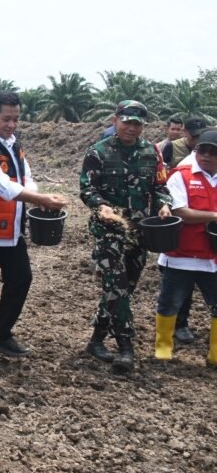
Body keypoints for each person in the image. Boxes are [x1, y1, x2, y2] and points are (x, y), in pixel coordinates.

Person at [0, 90, 68, 365]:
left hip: (12, 229)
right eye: (6, 119)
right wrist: (40, 198)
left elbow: (25, 176)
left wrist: (35, 193)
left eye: (16, 119)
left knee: (21, 279)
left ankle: (0, 335)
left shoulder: (14, 143)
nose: (11, 125)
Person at [79, 100, 172, 371]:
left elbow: (159, 186)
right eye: (127, 122)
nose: (132, 128)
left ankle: (96, 339)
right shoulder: (98, 152)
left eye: (137, 124)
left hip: (140, 231)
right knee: (117, 285)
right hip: (109, 231)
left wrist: (164, 203)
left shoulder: (151, 152)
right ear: (115, 120)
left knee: (122, 289)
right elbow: (87, 190)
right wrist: (101, 206)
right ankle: (125, 347)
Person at [152, 128, 217, 368]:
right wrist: (214, 216)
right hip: (181, 255)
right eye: (203, 151)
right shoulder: (181, 175)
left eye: (213, 153)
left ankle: (215, 356)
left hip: (212, 258)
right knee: (170, 303)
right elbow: (181, 212)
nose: (207, 156)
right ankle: (163, 350)